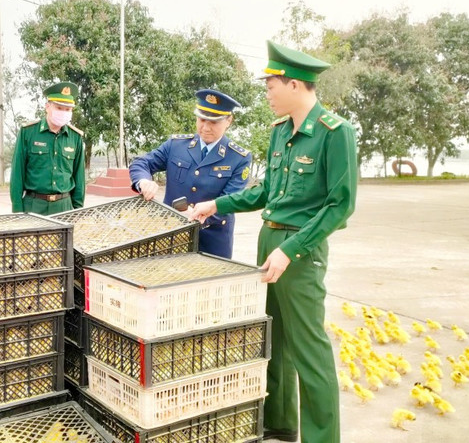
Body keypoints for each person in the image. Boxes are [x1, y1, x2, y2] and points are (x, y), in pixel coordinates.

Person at [190, 41, 357, 443]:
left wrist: (291, 249)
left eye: (271, 84)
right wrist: (215, 203)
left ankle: (322, 437)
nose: (266, 92)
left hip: (300, 252)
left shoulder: (335, 133)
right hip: (270, 244)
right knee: (274, 340)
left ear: (296, 84)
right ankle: (280, 423)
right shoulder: (281, 132)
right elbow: (267, 191)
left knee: (310, 350)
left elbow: (340, 206)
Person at [129, 89, 251, 258]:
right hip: (170, 238)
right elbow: (142, 163)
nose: (206, 127)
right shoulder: (176, 145)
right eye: (202, 119)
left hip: (212, 243)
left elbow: (230, 202)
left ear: (229, 120)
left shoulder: (238, 158)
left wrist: (198, 215)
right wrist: (143, 180)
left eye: (214, 122)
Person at [10, 81, 85, 215]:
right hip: (34, 206)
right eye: (59, 108)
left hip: (64, 207)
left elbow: (79, 178)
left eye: (67, 109)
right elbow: (17, 173)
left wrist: (77, 211)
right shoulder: (28, 132)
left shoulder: (75, 137)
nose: (63, 112)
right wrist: (17, 211)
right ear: (47, 107)